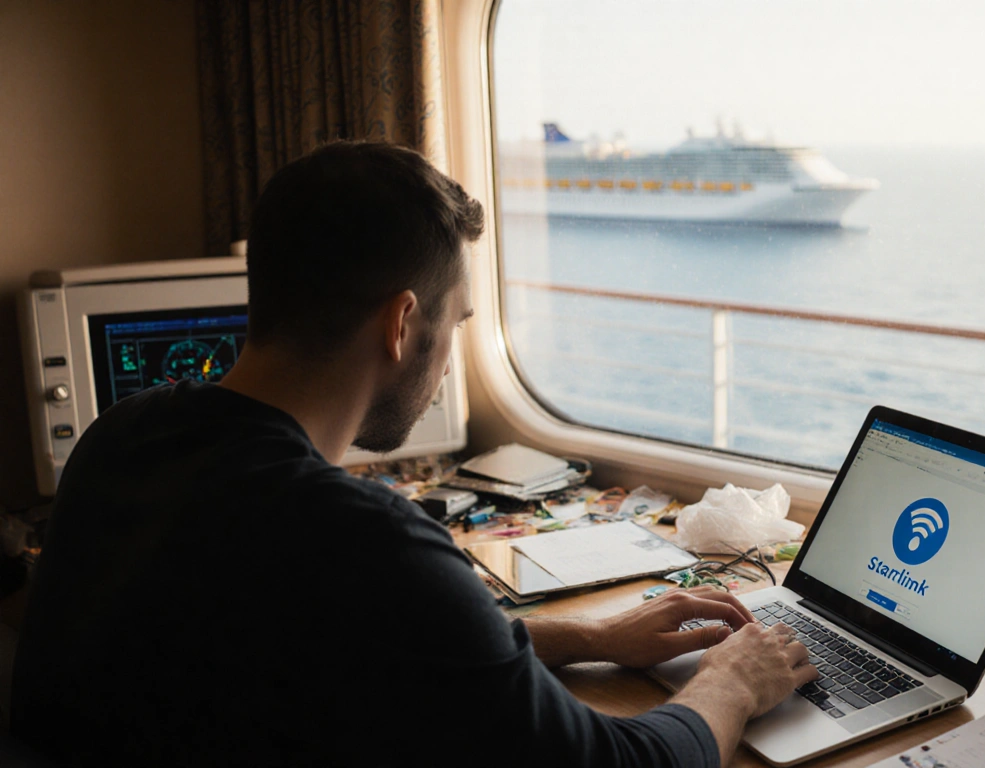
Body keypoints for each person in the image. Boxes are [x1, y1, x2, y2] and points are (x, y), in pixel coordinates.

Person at [10, 142, 817, 766]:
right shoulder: (362, 541)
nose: (448, 362)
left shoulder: (121, 440)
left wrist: (590, 634)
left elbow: (373, 648)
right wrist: (733, 681)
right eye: (458, 324)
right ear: (401, 325)